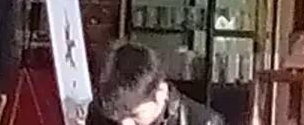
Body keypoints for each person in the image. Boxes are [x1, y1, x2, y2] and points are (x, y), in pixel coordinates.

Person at [87, 42, 224, 125]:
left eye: (134, 115)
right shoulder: (100, 111)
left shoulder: (205, 122)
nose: (125, 124)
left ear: (160, 93)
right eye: (116, 116)